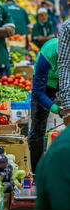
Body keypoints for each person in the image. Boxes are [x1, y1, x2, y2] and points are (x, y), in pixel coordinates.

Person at [34, 0, 70, 210]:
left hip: (62, 88)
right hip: (46, 88)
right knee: (37, 128)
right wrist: (60, 108)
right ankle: (36, 166)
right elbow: (37, 93)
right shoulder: (47, 57)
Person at [28, 38, 63, 173]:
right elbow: (37, 93)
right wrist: (58, 110)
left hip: (64, 82)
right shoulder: (47, 54)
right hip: (46, 84)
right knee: (38, 129)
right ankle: (37, 171)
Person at [58, 0, 70, 126]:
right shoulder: (67, 27)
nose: (68, 3)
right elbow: (65, 65)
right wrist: (67, 105)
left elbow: (64, 65)